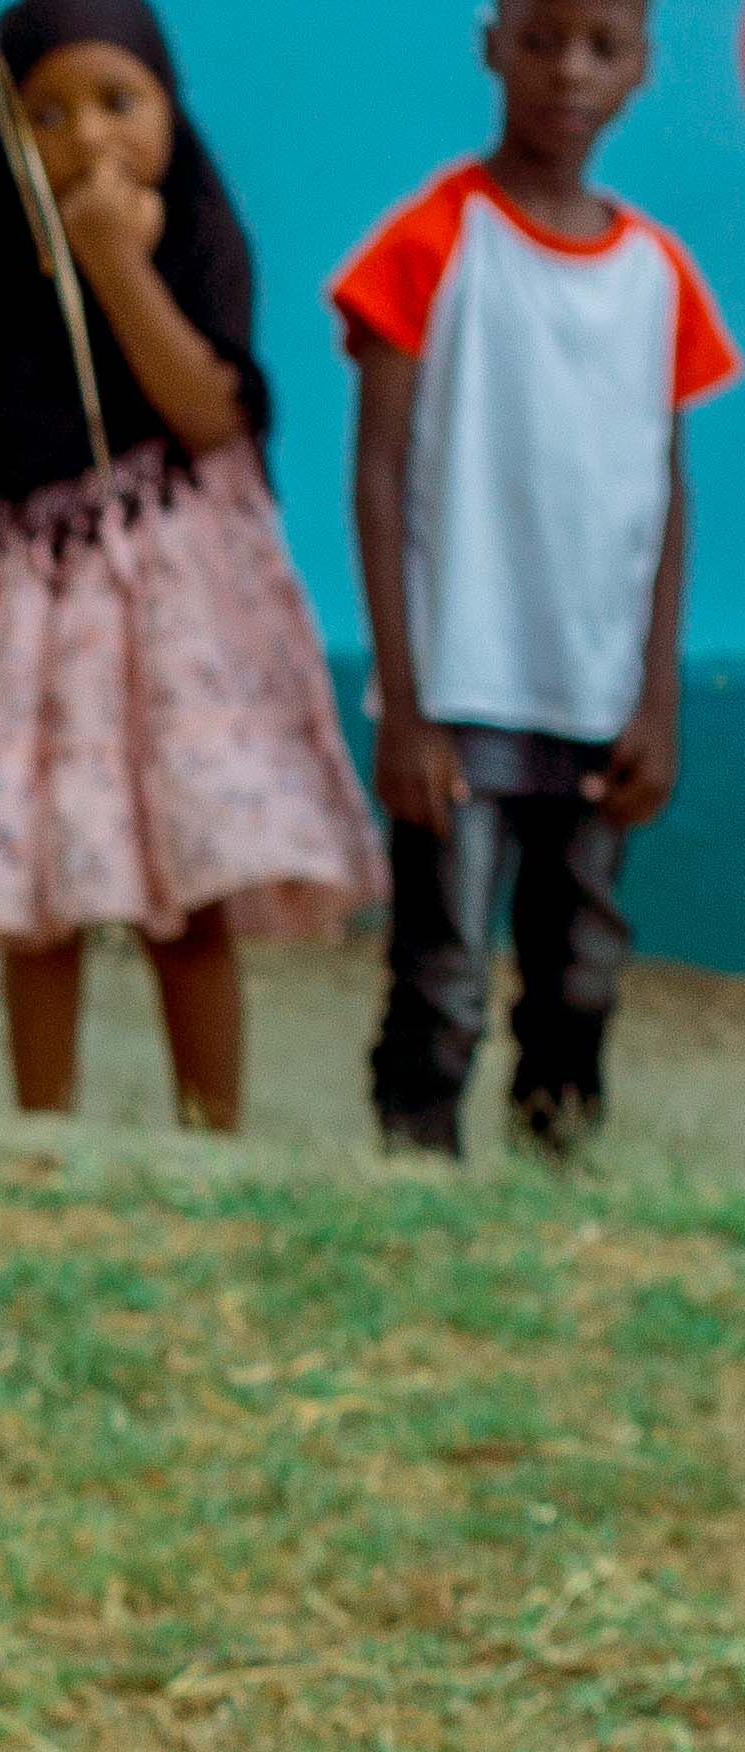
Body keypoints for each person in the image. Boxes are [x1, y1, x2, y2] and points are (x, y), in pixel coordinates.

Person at [0, 0, 381, 1133]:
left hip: (172, 615)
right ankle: (41, 1135)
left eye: (119, 101)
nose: (86, 137)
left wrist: (115, 264)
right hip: (33, 617)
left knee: (185, 894)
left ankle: (213, 1137)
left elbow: (210, 414)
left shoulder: (200, 234)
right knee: (44, 901)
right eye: (45, 113)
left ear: (170, 107)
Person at [332, 0, 728, 1161]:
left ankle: (554, 1181)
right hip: (457, 692)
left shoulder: (660, 277)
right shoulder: (428, 245)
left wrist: (656, 701)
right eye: (543, 37)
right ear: (492, 43)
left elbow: (669, 497)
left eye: (604, 46)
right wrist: (401, 704)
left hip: (596, 698)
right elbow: (377, 476)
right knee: (441, 969)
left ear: (643, 68)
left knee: (584, 969)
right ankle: (416, 1180)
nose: (569, 71)